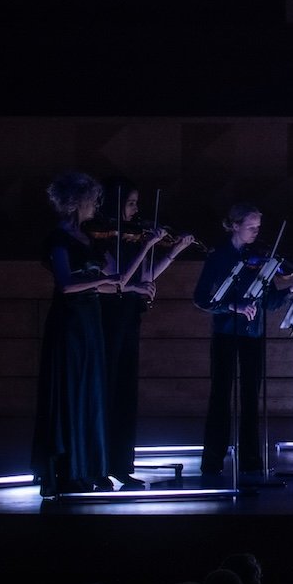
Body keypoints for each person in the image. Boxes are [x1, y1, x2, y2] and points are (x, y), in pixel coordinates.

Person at [32, 172, 152, 497]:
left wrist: (151, 247)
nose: (96, 206)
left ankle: (89, 468)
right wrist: (101, 282)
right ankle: (69, 470)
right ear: (78, 202)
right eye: (92, 200)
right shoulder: (59, 239)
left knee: (92, 395)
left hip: (91, 321)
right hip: (69, 323)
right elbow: (66, 284)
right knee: (72, 393)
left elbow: (120, 278)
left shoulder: (89, 237)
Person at [189, 203, 293, 482]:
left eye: (258, 227)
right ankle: (212, 462)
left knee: (251, 398)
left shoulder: (259, 259)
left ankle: (251, 461)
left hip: (253, 335)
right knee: (220, 397)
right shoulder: (218, 257)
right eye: (251, 226)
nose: (257, 232)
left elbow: (269, 302)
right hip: (227, 334)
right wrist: (234, 307)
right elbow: (201, 298)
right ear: (234, 225)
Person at [97, 177, 193, 485]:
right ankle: (100, 465)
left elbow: (145, 275)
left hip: (129, 319)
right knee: (108, 393)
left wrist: (174, 250)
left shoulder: (131, 238)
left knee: (126, 394)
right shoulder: (104, 238)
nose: (136, 209)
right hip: (108, 320)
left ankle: (121, 465)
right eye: (131, 203)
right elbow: (119, 279)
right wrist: (148, 245)